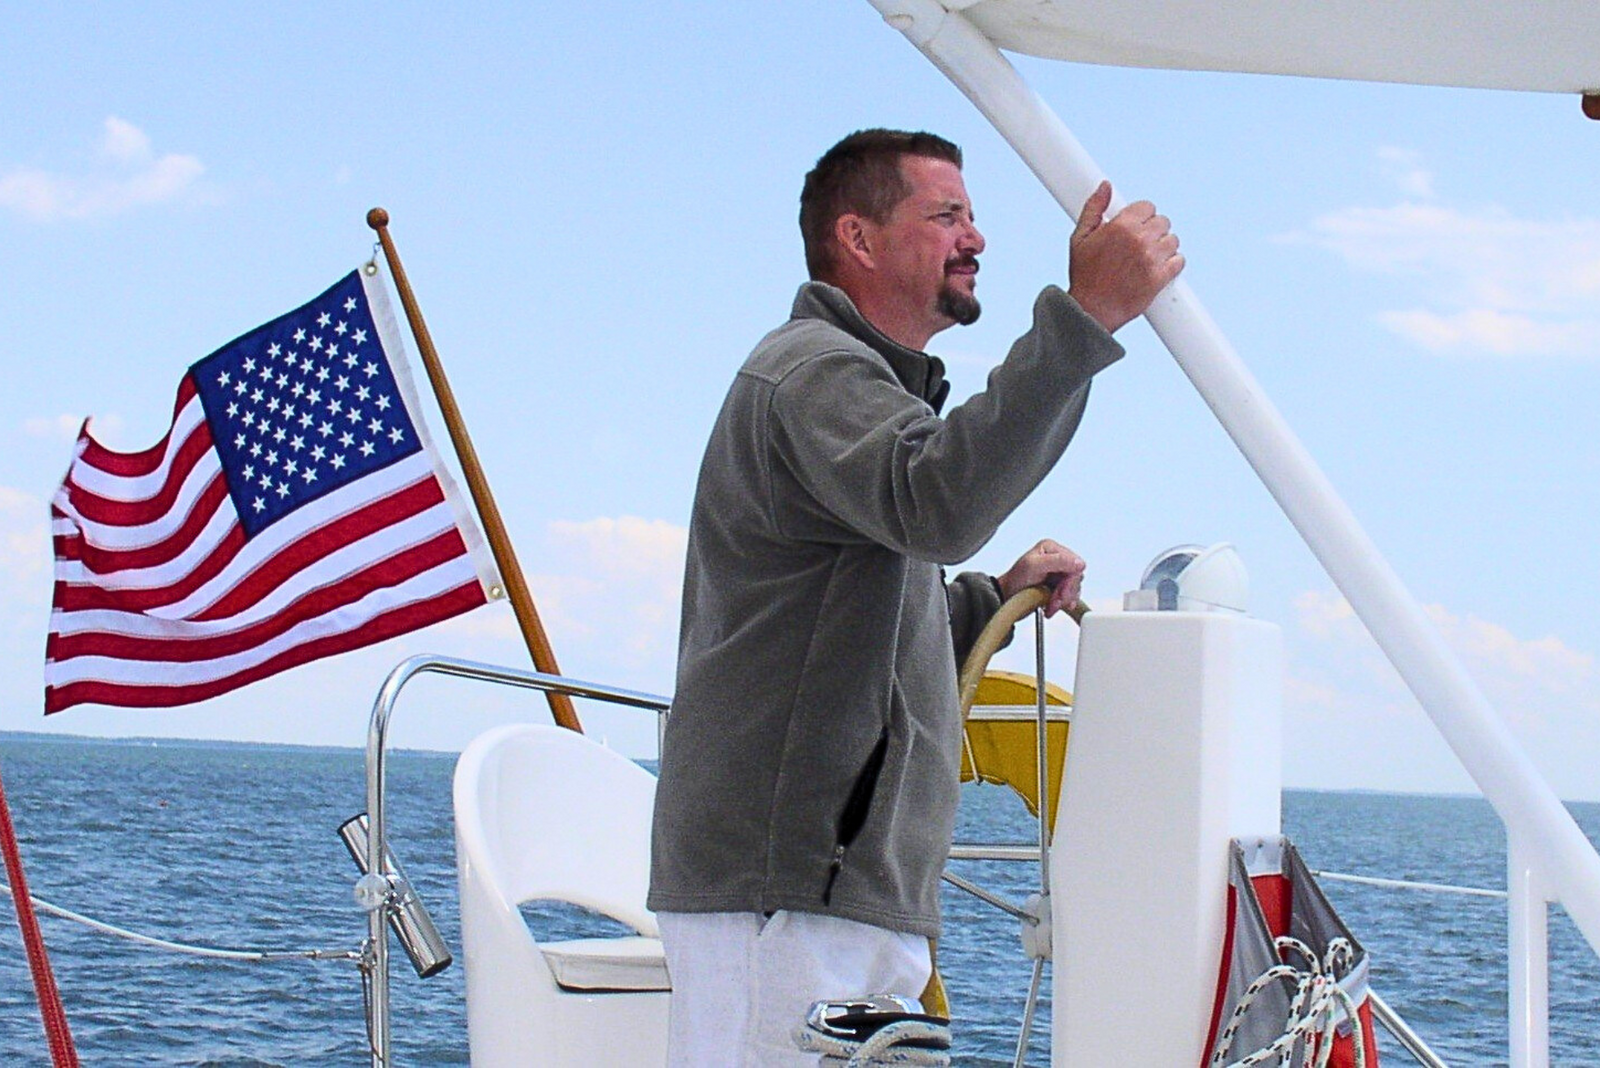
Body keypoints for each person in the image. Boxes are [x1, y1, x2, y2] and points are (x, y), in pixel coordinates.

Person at [648, 128, 1183, 1066]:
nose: (974, 237)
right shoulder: (816, 373)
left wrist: (989, 599)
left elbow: (857, 616)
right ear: (857, 238)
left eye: (973, 216)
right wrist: (1086, 314)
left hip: (828, 884)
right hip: (794, 891)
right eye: (945, 215)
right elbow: (938, 502)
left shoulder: (857, 395)